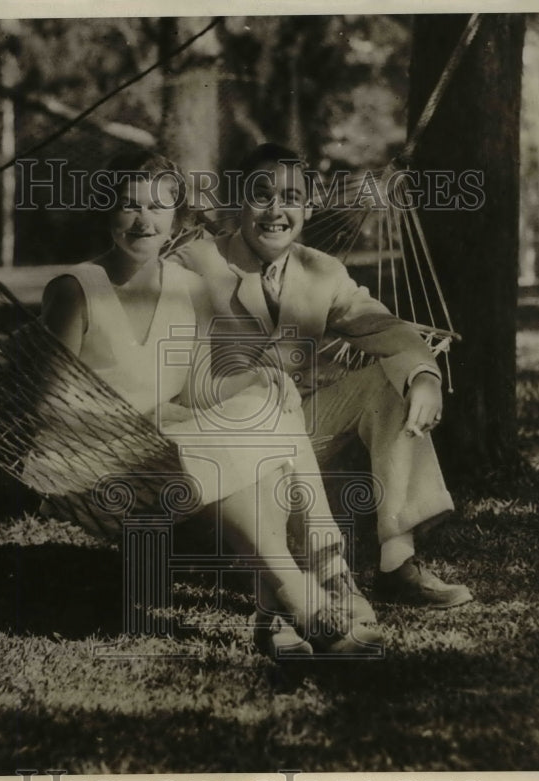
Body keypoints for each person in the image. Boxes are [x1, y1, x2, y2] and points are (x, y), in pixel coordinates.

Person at [36, 149, 382, 657]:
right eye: (128, 206)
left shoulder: (189, 289)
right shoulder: (75, 291)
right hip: (90, 465)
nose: (143, 221)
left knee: (269, 406)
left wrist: (257, 381)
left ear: (177, 215)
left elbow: (199, 390)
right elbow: (47, 409)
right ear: (106, 211)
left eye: (158, 207)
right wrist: (141, 421)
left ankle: (285, 610)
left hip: (168, 452)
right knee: (224, 443)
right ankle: (305, 596)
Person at [167, 143, 473, 610]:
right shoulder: (195, 264)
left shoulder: (320, 272)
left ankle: (397, 561)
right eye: (261, 195)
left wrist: (424, 373)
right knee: (267, 405)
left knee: (389, 381)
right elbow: (167, 366)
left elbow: (384, 327)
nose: (276, 210)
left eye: (290, 197)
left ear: (309, 207)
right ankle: (319, 574)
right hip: (219, 439)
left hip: (298, 431)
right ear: (239, 204)